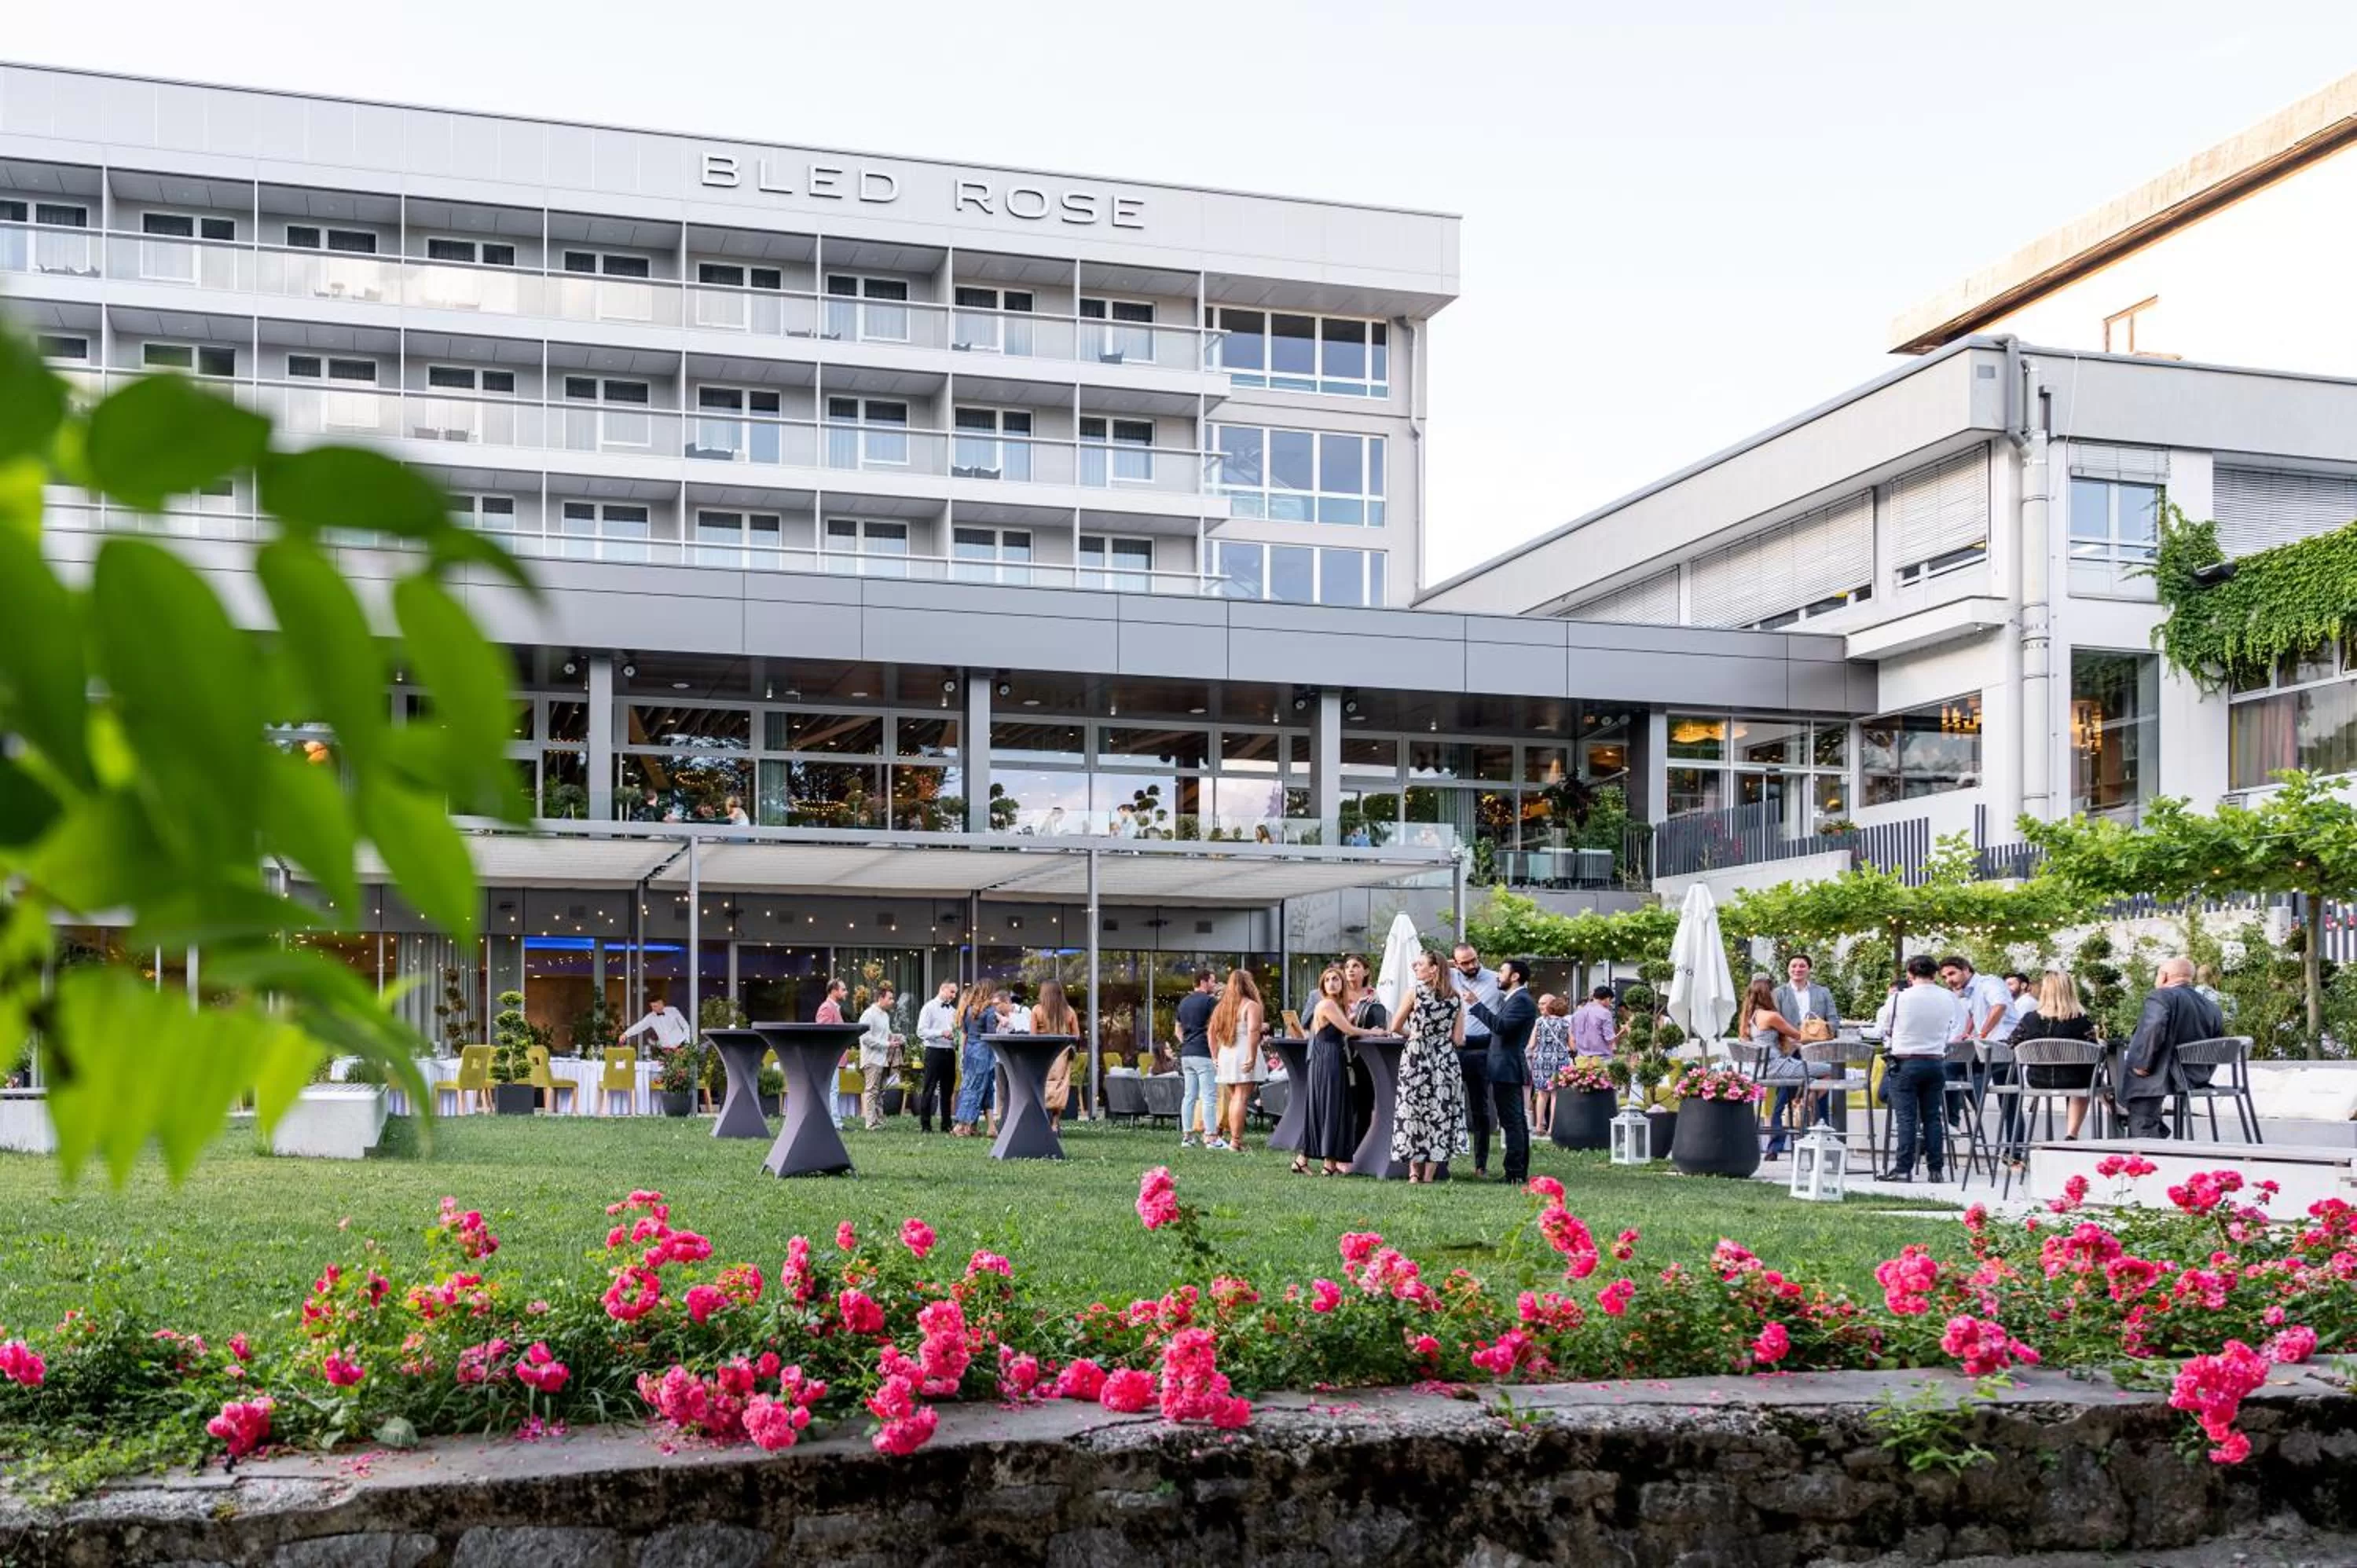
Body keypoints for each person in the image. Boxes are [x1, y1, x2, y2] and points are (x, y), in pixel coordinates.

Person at [2121, 956, 2224, 1138]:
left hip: (2169, 1076)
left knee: (2138, 1085)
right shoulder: (2211, 1007)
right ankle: (2152, 1128)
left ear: (2165, 976)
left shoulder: (2161, 996)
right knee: (2146, 1083)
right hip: (2197, 1076)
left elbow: (2154, 1028)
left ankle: (2144, 1135)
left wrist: (2143, 1063)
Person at [1391, 948, 1468, 1183]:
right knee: (1440, 1112)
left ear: (1434, 968)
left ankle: (1414, 1173)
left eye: (1420, 964)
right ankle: (1430, 1175)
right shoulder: (1455, 997)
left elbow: (1394, 1026)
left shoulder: (1414, 993)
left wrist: (1414, 1035)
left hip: (1417, 1055)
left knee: (1413, 1109)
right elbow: (1458, 1040)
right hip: (1444, 1058)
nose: (1416, 966)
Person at [1877, 955, 1956, 1182]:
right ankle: (1936, 1169)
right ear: (1935, 974)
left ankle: (1903, 1168)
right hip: (1935, 1061)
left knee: (1906, 1118)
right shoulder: (1948, 998)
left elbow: (1886, 1029)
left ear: (1910, 975)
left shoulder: (1899, 999)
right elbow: (1955, 1027)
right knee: (1933, 1117)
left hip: (1906, 1061)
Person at [1301, 966, 1378, 1176]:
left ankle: (1306, 1160)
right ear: (1322, 985)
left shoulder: (1336, 1005)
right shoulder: (1326, 1004)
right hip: (1327, 1057)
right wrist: (1375, 1032)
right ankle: (1328, 1162)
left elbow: (1344, 1026)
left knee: (1328, 1106)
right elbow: (1349, 1031)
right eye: (1328, 980)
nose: (1332, 983)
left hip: (1330, 1056)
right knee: (1331, 1106)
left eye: (1336, 979)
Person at [1464, 958, 1535, 1184]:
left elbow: (1500, 1027)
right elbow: (1497, 1037)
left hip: (1507, 1069)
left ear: (1515, 977)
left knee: (1512, 1122)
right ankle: (1517, 1171)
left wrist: (1476, 1005)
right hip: (1504, 1067)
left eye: (1502, 972)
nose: (1498, 975)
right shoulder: (1513, 999)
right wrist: (1464, 1040)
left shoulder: (1521, 1001)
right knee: (1515, 1121)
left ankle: (1514, 1173)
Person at [2011, 969, 2099, 1141]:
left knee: (2083, 1078)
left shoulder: (2030, 1019)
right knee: (2088, 1078)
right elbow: (2093, 1052)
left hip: (2038, 1079)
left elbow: (2012, 1043)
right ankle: (2071, 1133)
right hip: (2073, 1081)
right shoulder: (2080, 1020)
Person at [1941, 954, 2014, 1132]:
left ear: (1966, 970)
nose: (1948, 980)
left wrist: (1982, 1034)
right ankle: (1955, 1121)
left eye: (1952, 974)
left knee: (1950, 1066)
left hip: (2004, 1045)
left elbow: (1999, 1006)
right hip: (1989, 1047)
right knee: (1951, 1066)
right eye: (1944, 977)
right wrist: (1966, 1033)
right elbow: (1976, 1014)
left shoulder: (1989, 983)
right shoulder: (1972, 992)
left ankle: (1953, 1122)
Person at [1741, 974, 1809, 1158]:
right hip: (1778, 1066)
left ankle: (1800, 1104)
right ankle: (1804, 1116)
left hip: (1766, 1068)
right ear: (1769, 994)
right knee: (1826, 1072)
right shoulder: (1771, 1013)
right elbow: (1798, 1035)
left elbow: (1767, 1041)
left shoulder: (1749, 1016)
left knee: (1791, 1092)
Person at [1451, 944, 1503, 1178]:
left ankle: (1480, 1164)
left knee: (1480, 1107)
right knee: (1446, 1104)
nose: (1471, 966)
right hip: (1453, 1047)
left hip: (1482, 1048)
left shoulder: (1495, 980)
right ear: (1455, 963)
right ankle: (1441, 1162)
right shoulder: (1448, 977)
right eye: (1465, 963)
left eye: (1474, 960)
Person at [1208, 969, 1266, 1153]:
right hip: (1243, 1052)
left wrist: (1215, 1056)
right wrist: (1252, 1056)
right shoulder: (1251, 1006)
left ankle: (1235, 1140)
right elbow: (1253, 1032)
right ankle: (1235, 1141)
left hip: (1226, 1053)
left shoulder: (1222, 1007)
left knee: (1235, 1098)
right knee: (1241, 1097)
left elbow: (1211, 1033)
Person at [1341, 954, 1386, 1150]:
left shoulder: (1373, 995)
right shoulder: (1337, 993)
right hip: (1341, 1052)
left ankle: (1360, 1147)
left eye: (1356, 966)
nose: (1350, 970)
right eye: (1348, 966)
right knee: (1344, 1101)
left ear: (1366, 971)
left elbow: (1379, 1023)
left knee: (1365, 1101)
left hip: (1365, 1054)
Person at [1174, 969, 1222, 1149]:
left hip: (1187, 1053)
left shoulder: (1184, 1002)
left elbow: (1177, 1028)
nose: (1214, 985)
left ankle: (1187, 1137)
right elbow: (1217, 1026)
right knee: (1209, 1096)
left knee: (1189, 1096)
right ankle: (1211, 1137)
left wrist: (1186, 1041)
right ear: (1203, 982)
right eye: (1212, 981)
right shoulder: (1210, 1002)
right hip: (1203, 1052)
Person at [1032, 980, 1080, 1134]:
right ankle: (1055, 1124)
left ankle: (1042, 1121)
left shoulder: (1037, 1010)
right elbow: (1076, 1036)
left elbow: (1032, 1036)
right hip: (1062, 1053)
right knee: (1060, 1087)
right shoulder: (1069, 1011)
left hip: (1041, 1053)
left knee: (1042, 1086)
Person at [914, 980, 960, 1134]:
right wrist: (941, 1033)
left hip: (949, 1052)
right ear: (942, 989)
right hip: (933, 1051)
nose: (954, 996)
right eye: (952, 992)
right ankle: (925, 1125)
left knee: (948, 1090)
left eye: (955, 993)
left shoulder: (953, 1011)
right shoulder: (929, 1008)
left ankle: (946, 1124)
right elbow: (921, 1032)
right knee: (929, 1088)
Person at [950, 985, 995, 1138]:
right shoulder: (989, 1012)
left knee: (973, 1087)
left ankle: (975, 1126)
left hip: (970, 1051)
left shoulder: (968, 1010)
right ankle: (961, 1126)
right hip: (984, 1052)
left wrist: (963, 1054)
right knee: (974, 1089)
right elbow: (991, 1036)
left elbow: (965, 1033)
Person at [855, 985, 902, 1131]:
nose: (892, 1001)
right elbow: (864, 1037)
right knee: (871, 1091)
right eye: (890, 998)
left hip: (882, 1059)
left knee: (880, 1092)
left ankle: (879, 1121)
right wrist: (887, 1044)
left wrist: (896, 1038)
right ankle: (870, 1123)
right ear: (881, 998)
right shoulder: (869, 1014)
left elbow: (887, 1034)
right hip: (871, 1059)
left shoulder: (885, 1015)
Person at [1527, 994, 1572, 1130]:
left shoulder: (1540, 1022)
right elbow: (1572, 1045)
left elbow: (1531, 1044)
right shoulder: (1566, 1023)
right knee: (1555, 1095)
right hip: (1560, 1059)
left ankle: (1539, 1126)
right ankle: (1552, 1128)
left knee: (1541, 1093)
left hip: (1542, 1059)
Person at [1774, 954, 1840, 1034]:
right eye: (1794, 966)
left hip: (1817, 1043)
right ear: (1788, 969)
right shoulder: (1778, 994)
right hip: (1788, 1043)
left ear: (1809, 969)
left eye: (1802, 966)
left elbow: (1833, 1019)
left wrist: (1822, 1034)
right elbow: (1774, 1022)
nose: (1797, 970)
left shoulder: (1823, 992)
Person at [618, 995, 691, 1053]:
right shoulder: (651, 1017)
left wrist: (687, 1044)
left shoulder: (673, 1010)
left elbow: (685, 1026)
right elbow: (639, 1026)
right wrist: (626, 1034)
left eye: (655, 1006)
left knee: (683, 1071)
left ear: (661, 1004)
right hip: (667, 1051)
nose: (653, 1009)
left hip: (681, 1047)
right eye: (651, 1006)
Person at [1570, 985, 1618, 1057]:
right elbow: (1609, 1038)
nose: (1610, 1004)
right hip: (1601, 1057)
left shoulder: (1577, 1014)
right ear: (1607, 999)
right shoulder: (1605, 1013)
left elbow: (1573, 1037)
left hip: (1581, 1058)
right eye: (1610, 1001)